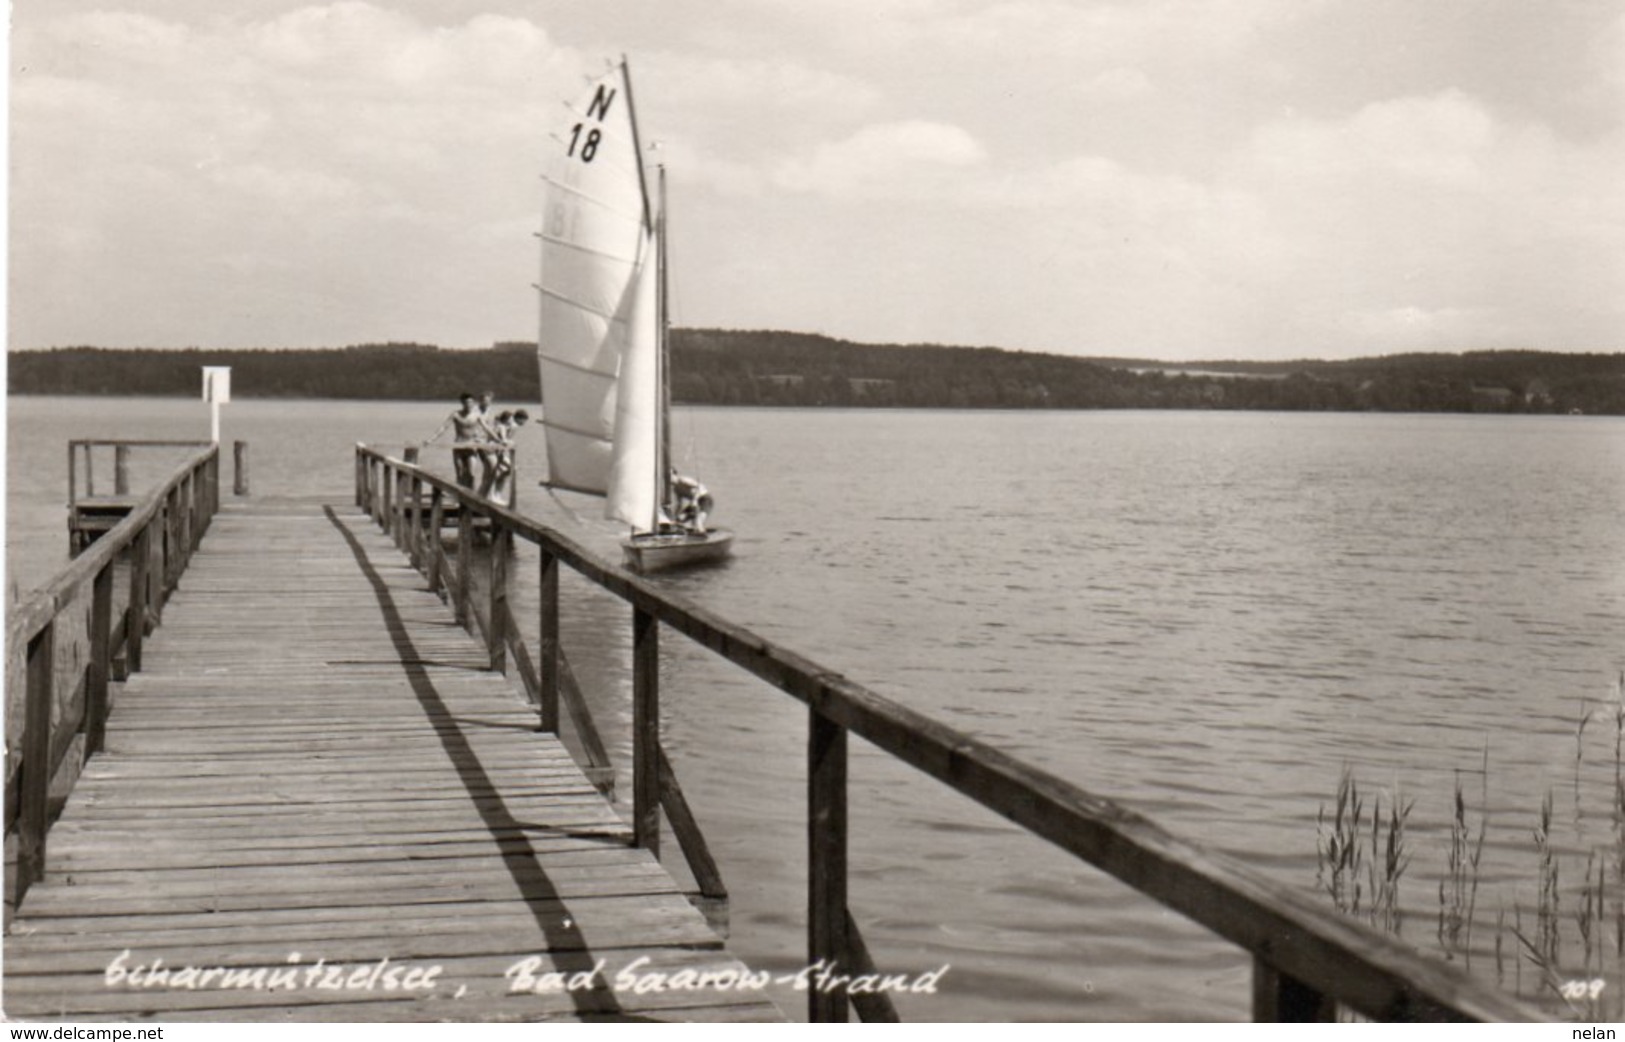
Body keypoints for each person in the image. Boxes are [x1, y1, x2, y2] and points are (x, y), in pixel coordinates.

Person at [425, 392, 491, 489]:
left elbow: (487, 428)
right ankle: (460, 499)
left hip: (471, 447)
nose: (469, 405)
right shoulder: (456, 414)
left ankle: (472, 498)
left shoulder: (477, 415)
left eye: (471, 402)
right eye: (467, 402)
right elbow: (443, 427)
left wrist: (499, 440)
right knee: (460, 473)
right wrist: (430, 440)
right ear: (462, 403)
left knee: (471, 474)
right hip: (458, 446)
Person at [482, 409, 529, 501]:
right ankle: (490, 496)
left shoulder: (510, 426)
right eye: (524, 420)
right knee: (492, 473)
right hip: (491, 451)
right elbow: (502, 439)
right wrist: (507, 441)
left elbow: (505, 439)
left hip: (499, 452)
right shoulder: (504, 426)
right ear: (519, 418)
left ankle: (496, 494)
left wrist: (508, 442)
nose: (524, 423)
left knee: (510, 469)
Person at [670, 471, 713, 535]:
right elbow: (679, 504)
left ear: (674, 475)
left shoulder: (683, 480)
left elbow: (699, 486)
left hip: (704, 499)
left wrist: (695, 499)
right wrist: (675, 515)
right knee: (679, 519)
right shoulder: (676, 489)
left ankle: (702, 535)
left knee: (698, 521)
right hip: (693, 503)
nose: (668, 479)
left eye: (670, 476)